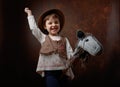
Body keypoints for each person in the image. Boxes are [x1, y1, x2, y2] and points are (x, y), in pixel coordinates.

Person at [24, 7, 75, 87]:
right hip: (50, 72)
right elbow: (34, 28)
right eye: (50, 23)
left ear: (59, 24)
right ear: (45, 26)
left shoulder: (65, 40)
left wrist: (73, 60)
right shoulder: (43, 38)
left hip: (63, 71)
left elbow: (70, 53)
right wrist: (30, 14)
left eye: (56, 22)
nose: (53, 25)